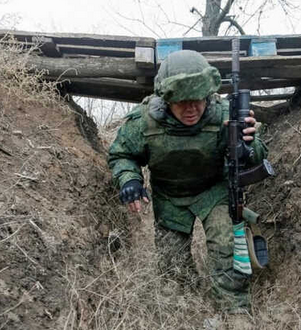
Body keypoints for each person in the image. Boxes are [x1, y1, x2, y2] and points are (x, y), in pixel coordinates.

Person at [107, 50, 268, 317]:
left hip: (213, 192)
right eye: (182, 102)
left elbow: (258, 156)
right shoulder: (144, 121)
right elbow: (122, 154)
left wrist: (248, 145)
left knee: (226, 247)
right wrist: (130, 179)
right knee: (173, 271)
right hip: (169, 197)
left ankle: (236, 309)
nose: (191, 108)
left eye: (198, 100)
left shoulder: (226, 116)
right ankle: (186, 311)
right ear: (167, 99)